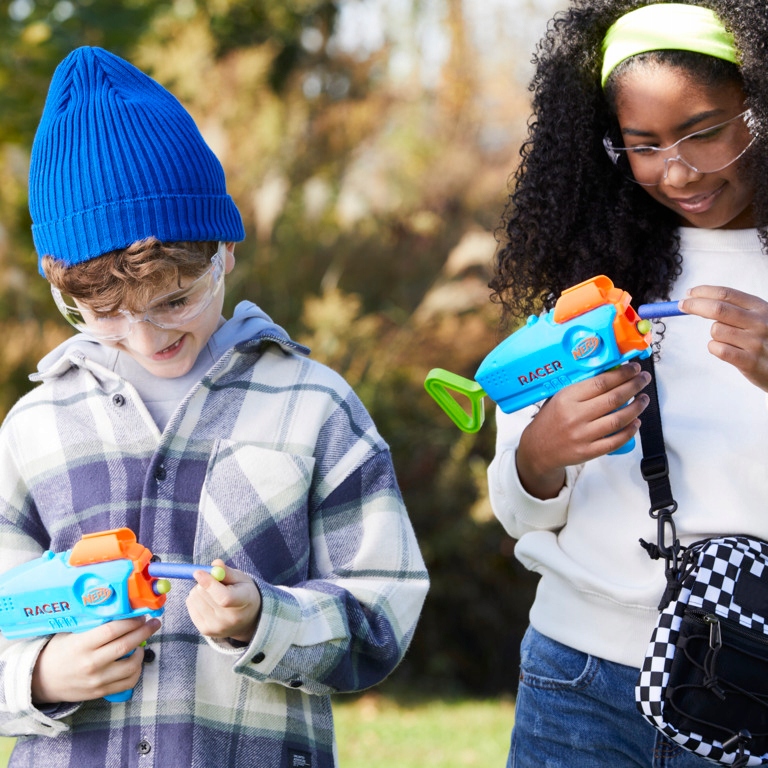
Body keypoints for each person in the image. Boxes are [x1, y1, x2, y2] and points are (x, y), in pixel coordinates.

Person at [0, 46, 429, 768]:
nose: (148, 336)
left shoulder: (314, 406)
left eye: (175, 300)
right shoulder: (33, 428)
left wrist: (267, 619)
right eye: (106, 314)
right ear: (63, 289)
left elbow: (382, 606)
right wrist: (39, 676)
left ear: (225, 249)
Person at [487, 1, 768, 766]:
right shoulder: (592, 274)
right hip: (576, 684)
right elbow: (518, 507)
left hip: (746, 686)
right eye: (643, 146)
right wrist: (540, 455)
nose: (676, 172)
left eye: (704, 132)